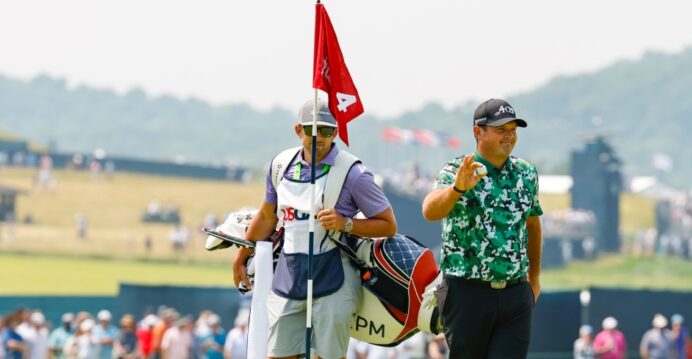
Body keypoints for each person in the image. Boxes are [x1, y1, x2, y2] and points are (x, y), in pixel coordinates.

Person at [232, 100, 397, 359]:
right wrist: (241, 256)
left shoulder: (354, 173)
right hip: (288, 276)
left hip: (335, 276)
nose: (319, 137)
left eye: (327, 131)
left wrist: (346, 223)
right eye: (311, 129)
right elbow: (267, 216)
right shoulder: (280, 165)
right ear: (298, 130)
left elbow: (388, 225)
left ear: (336, 132)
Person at [422, 98, 542, 359]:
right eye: (501, 130)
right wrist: (457, 189)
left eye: (513, 130)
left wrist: (534, 279)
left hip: (515, 293)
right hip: (466, 293)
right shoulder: (457, 169)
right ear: (478, 132)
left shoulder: (526, 173)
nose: (509, 136)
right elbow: (430, 210)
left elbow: (533, 223)